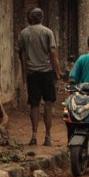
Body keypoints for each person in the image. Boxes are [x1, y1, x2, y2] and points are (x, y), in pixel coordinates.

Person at [18, 8, 60, 147]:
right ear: (42, 18)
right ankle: (48, 136)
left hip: (32, 73)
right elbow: (53, 53)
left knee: (34, 105)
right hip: (46, 72)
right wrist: (57, 71)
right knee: (48, 104)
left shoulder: (23, 33)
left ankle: (34, 135)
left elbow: (22, 55)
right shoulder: (48, 32)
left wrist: (24, 73)